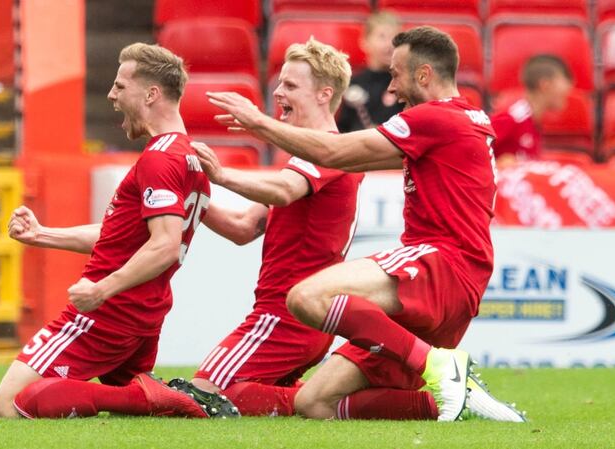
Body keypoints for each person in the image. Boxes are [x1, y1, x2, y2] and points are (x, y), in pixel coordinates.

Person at [205, 26, 527, 422]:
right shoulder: (466, 121)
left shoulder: (435, 118)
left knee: (305, 298)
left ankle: (440, 365)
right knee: (315, 403)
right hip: (458, 278)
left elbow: (334, 151)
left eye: (396, 75)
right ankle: (461, 404)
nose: (391, 89)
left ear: (423, 75)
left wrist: (258, 124)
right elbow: (343, 158)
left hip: (440, 262)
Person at [0, 43, 223, 419]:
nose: (112, 96)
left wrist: (101, 290)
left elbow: (164, 246)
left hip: (110, 313)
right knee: (131, 413)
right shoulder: (189, 158)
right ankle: (147, 397)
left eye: (120, 86)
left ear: (151, 94)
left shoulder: (160, 159)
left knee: (8, 406)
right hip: (143, 311)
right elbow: (123, 236)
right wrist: (42, 235)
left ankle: (152, 396)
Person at [177, 38, 363, 417]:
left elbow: (282, 191)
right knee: (235, 400)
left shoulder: (326, 151)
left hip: (284, 318)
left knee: (195, 400)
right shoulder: (310, 157)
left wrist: (220, 174)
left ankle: (354, 404)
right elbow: (244, 228)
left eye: (291, 86)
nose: (277, 92)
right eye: (280, 84)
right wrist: (195, 195)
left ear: (325, 94)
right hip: (296, 317)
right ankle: (324, 401)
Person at [491, 54, 574, 165]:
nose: (569, 89)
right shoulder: (513, 119)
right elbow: (472, 151)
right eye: (565, 81)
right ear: (545, 85)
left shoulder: (533, 121)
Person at [337, 11, 404, 132]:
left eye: (395, 38)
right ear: (364, 42)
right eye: (382, 37)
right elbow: (343, 128)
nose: (389, 45)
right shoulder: (352, 83)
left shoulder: (406, 83)